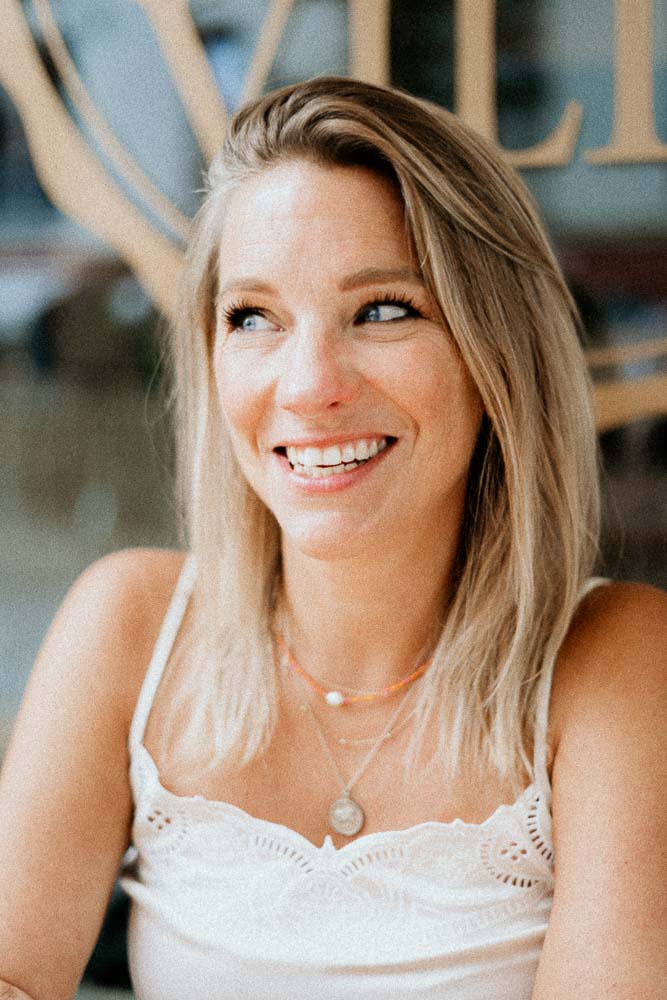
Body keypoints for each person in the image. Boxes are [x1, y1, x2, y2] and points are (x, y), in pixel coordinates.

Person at [1, 77, 665, 1000]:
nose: (308, 385)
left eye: (383, 310)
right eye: (253, 317)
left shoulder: (618, 664)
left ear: (497, 354)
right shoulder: (130, 626)